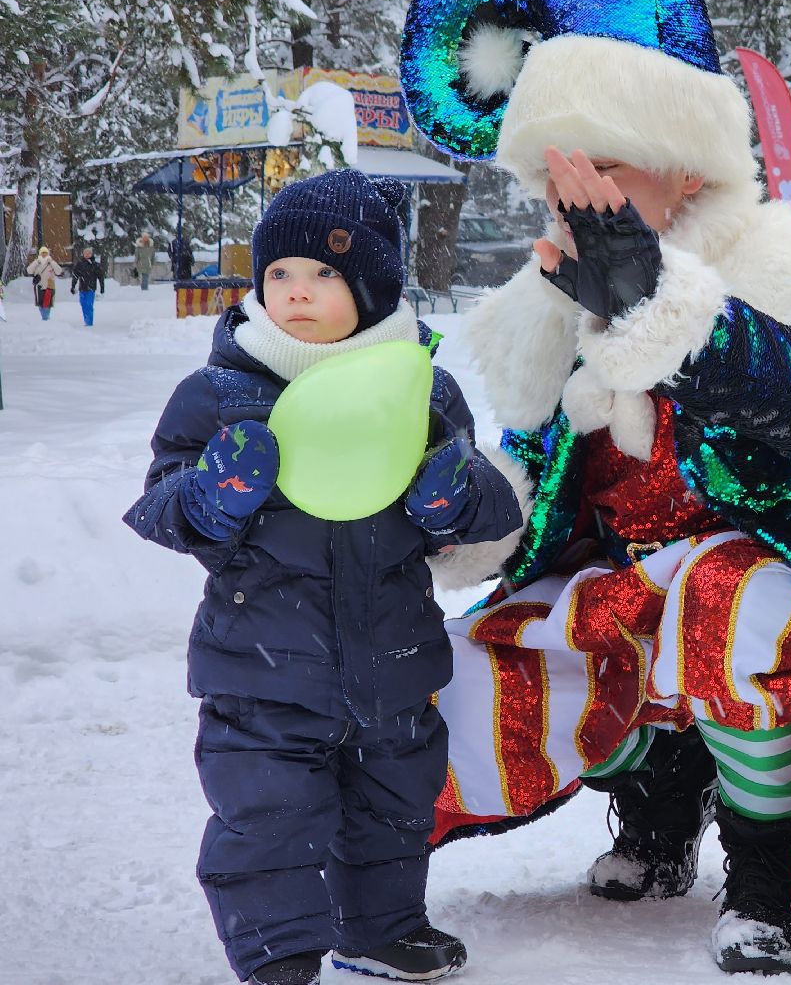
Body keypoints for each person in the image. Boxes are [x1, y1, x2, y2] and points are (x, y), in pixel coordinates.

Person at [400, 0, 791, 974]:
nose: (575, 200)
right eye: (556, 174)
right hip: (624, 582)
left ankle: (769, 881)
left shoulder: (787, 267)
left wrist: (663, 306)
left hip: (785, 583)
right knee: (481, 658)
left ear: (686, 170)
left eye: (605, 169)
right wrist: (451, 513)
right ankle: (656, 817)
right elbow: (533, 480)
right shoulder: (543, 310)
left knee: (731, 606)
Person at [123, 169, 526, 985]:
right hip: (262, 667)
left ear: (371, 287)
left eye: (322, 275)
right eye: (279, 274)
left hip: (392, 660)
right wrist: (213, 494)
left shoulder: (420, 390)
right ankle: (278, 951)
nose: (296, 292)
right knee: (269, 815)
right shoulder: (221, 394)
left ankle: (381, 929)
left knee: (394, 807)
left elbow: (484, 512)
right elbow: (163, 508)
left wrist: (452, 494)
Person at [25, 246, 63, 320]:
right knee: (40, 304)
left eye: (45, 253)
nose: (44, 254)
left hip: (49, 286)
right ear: (40, 254)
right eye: (42, 253)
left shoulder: (51, 263)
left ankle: (45, 318)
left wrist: (52, 262)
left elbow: (59, 271)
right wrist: (36, 262)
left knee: (47, 304)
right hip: (39, 286)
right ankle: (45, 317)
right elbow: (29, 271)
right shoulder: (37, 262)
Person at [71, 246, 103, 326]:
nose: (87, 255)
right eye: (86, 253)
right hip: (82, 288)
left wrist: (102, 287)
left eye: (89, 253)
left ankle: (89, 322)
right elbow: (75, 276)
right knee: (83, 304)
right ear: (83, 254)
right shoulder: (80, 264)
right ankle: (86, 320)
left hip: (91, 288)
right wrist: (73, 286)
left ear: (92, 254)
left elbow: (100, 277)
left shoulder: (95, 265)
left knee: (89, 305)